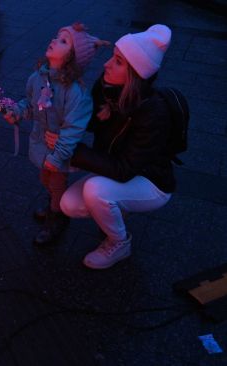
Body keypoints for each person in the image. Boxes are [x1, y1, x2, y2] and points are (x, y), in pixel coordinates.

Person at [54, 24, 174, 269]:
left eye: (118, 61)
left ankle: (119, 243)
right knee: (69, 204)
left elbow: (124, 169)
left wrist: (74, 153)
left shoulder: (153, 112)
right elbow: (88, 121)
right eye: (112, 56)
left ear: (135, 74)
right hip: (116, 169)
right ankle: (118, 207)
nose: (107, 64)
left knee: (96, 190)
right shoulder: (108, 88)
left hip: (150, 182)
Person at [4, 23, 107, 245]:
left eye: (63, 41)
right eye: (56, 37)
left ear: (72, 57)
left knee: (57, 181)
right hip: (42, 142)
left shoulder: (76, 93)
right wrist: (18, 111)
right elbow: (32, 104)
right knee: (45, 178)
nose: (54, 41)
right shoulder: (38, 78)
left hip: (60, 148)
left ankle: (57, 217)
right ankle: (53, 201)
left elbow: (73, 129)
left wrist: (58, 155)